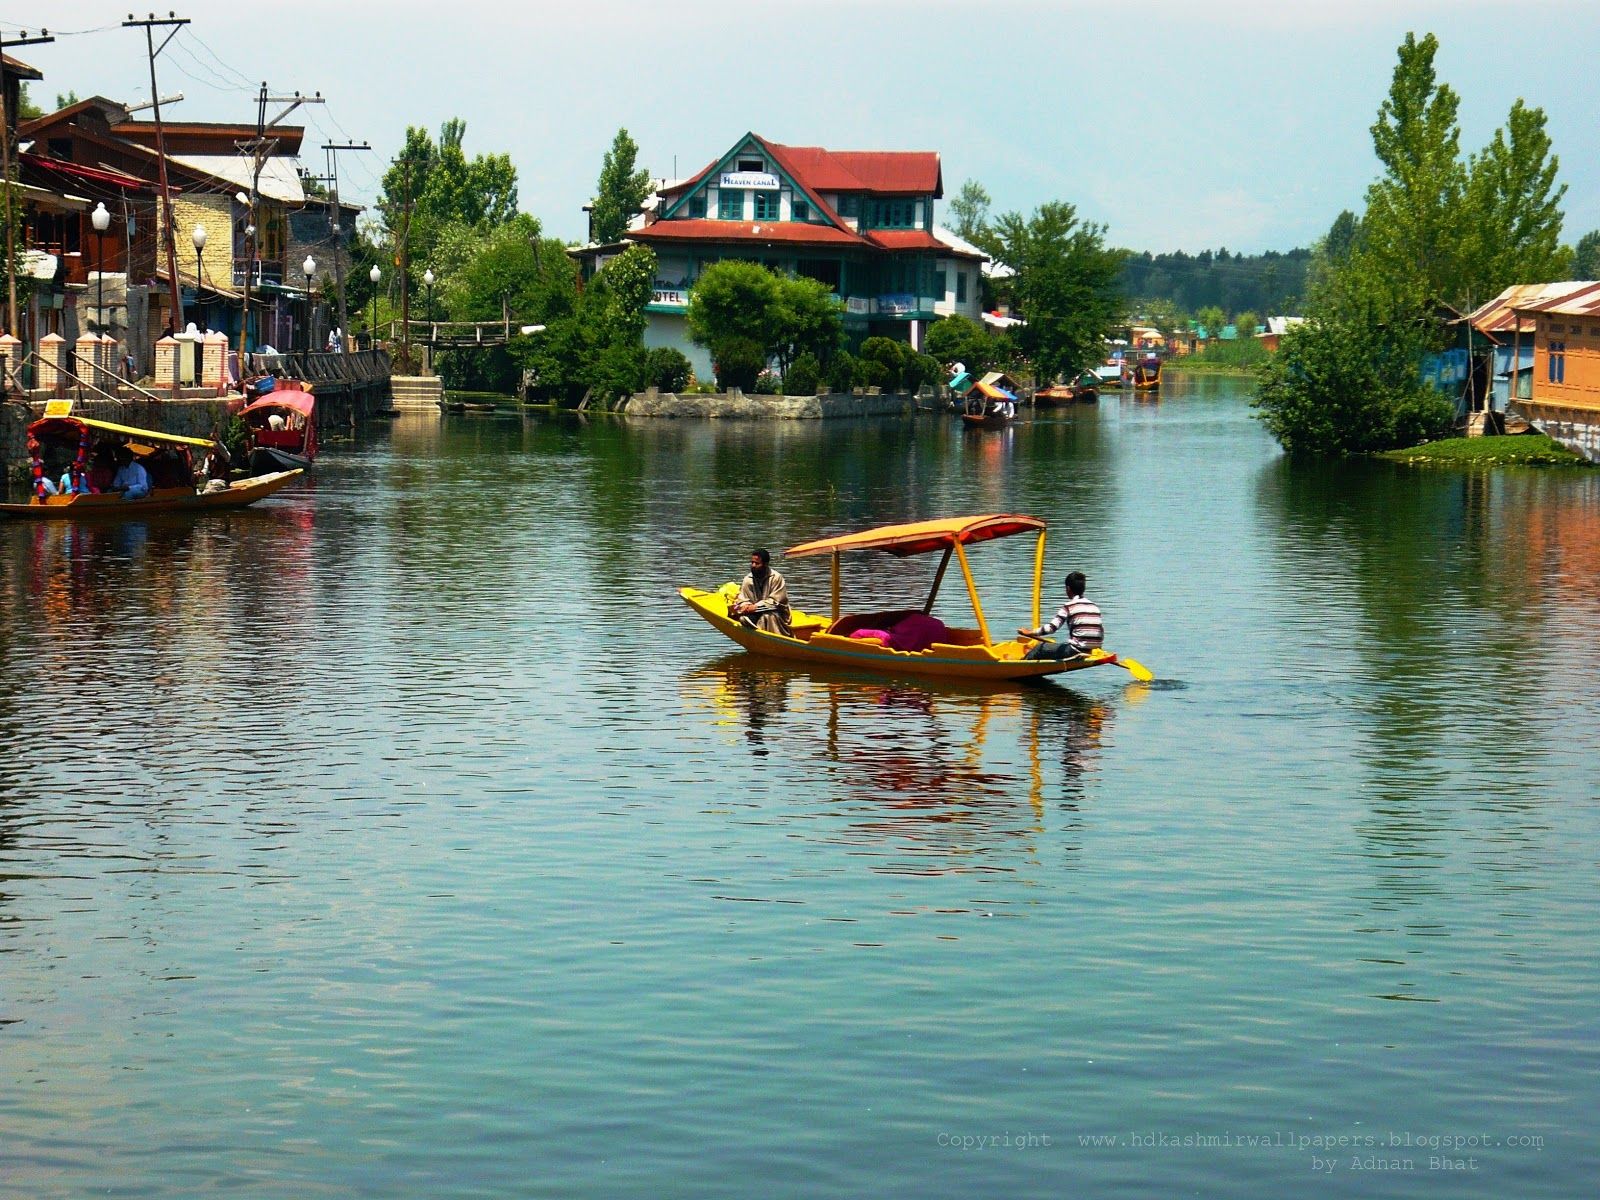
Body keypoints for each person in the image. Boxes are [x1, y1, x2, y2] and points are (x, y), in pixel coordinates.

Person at [1020, 571, 1103, 661]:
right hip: (1091, 650)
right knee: (1052, 647)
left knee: (1039, 648)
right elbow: (1100, 631)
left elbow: (1051, 628)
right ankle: (1030, 655)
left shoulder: (1069, 606)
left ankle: (1021, 665)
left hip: (1075, 650)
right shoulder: (1094, 606)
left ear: (1068, 588)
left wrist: (1029, 632)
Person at [731, 548, 792, 636]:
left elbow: (776, 602)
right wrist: (745, 606)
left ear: (765, 564)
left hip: (777, 614)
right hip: (755, 613)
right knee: (743, 619)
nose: (753, 565)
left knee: (767, 617)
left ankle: (775, 639)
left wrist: (756, 606)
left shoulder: (776, 578)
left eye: (757, 563)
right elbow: (743, 599)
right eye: (752, 562)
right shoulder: (748, 579)